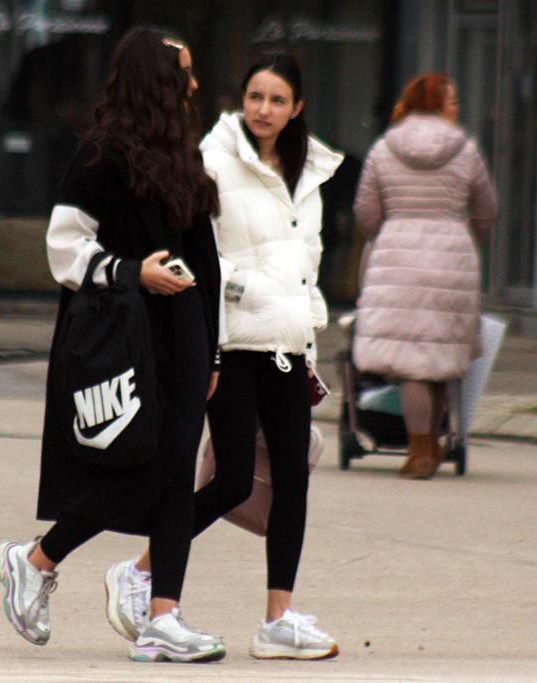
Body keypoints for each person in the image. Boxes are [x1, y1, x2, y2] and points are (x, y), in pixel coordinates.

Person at [0, 27, 227, 663]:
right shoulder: (100, 154)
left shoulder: (185, 156)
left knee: (176, 474)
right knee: (134, 469)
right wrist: (131, 271)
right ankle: (35, 561)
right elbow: (64, 247)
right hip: (122, 336)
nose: (194, 85)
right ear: (156, 80)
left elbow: (206, 262)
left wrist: (212, 350)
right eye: (183, 73)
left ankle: (163, 619)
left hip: (184, 336)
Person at [105, 51, 343, 661]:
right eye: (255, 97)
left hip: (287, 343)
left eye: (277, 100)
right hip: (231, 340)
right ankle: (143, 569)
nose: (263, 109)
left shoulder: (310, 171)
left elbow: (307, 262)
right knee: (233, 480)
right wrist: (245, 297)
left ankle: (278, 619)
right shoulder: (212, 159)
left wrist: (307, 323)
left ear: (297, 108)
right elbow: (204, 255)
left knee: (292, 477)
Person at [351, 73, 497, 479]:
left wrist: (386, 235)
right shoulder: (466, 150)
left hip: (397, 257)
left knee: (412, 363)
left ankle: (419, 451)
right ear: (436, 104)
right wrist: (464, 237)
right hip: (452, 256)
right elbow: (487, 209)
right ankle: (431, 443)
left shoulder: (384, 148)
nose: (458, 107)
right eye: (453, 100)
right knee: (440, 356)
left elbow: (366, 212)